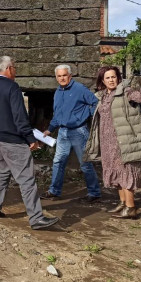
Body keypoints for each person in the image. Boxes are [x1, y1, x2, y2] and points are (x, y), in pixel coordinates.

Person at [0, 56, 60, 230]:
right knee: (26, 179)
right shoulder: (12, 87)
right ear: (8, 69)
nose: (15, 71)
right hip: (11, 140)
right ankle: (36, 218)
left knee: (1, 173)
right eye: (14, 67)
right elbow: (20, 116)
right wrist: (30, 139)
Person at [84, 66, 141, 219]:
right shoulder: (102, 96)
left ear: (118, 78)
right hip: (108, 142)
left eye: (113, 77)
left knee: (125, 172)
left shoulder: (126, 92)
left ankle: (131, 208)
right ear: (102, 80)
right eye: (107, 78)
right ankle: (122, 203)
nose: (111, 80)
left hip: (123, 141)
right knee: (115, 172)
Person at [40, 64, 101, 202]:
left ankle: (94, 192)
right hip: (63, 132)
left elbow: (95, 103)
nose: (62, 78)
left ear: (70, 76)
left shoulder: (79, 89)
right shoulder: (58, 92)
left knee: (85, 163)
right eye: (59, 76)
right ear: (56, 77)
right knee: (58, 162)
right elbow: (58, 113)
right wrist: (50, 128)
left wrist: (84, 116)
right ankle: (54, 191)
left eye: (64, 75)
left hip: (78, 131)